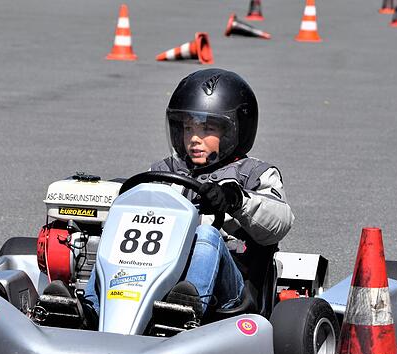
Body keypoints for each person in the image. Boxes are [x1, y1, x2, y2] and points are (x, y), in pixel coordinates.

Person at [72, 68, 294, 325]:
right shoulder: (162, 171)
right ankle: (92, 309)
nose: (195, 139)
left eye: (207, 128)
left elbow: (281, 222)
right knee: (117, 227)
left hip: (231, 291)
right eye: (188, 128)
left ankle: (186, 310)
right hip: (159, 276)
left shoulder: (255, 174)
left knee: (206, 234)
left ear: (235, 129)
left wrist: (237, 200)